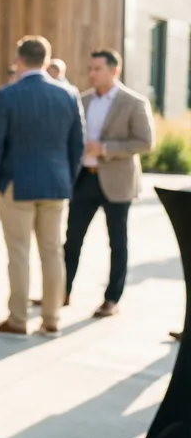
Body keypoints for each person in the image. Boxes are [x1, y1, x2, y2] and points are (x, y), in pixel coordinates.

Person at [0, 36, 84, 336]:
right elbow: (77, 145)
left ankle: (18, 320)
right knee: (52, 252)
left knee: (19, 252)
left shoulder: (7, 95)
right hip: (55, 184)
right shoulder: (68, 94)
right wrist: (67, 178)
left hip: (16, 184)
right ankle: (52, 319)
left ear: (19, 60)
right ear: (46, 59)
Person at [61, 49, 154, 318]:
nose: (92, 73)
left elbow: (145, 142)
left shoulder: (133, 102)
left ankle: (112, 299)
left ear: (114, 71)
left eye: (97, 69)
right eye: (90, 68)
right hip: (83, 180)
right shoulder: (82, 100)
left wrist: (105, 148)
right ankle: (62, 291)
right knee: (72, 239)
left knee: (117, 243)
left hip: (118, 182)